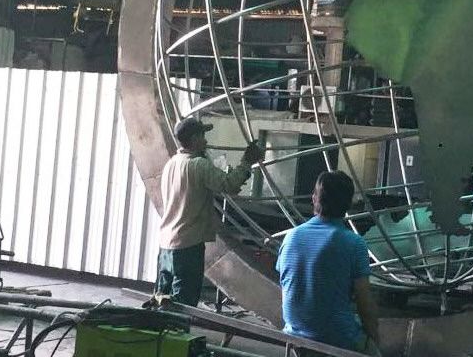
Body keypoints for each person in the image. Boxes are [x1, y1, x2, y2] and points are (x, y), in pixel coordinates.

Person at [155, 117, 262, 306]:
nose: (205, 141)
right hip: (187, 246)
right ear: (194, 139)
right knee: (183, 304)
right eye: (202, 136)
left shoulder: (171, 164)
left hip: (166, 245)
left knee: (161, 300)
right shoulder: (198, 165)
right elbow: (229, 184)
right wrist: (247, 162)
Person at [276, 171, 380, 354]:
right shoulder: (354, 244)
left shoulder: (290, 237)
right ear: (348, 204)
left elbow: (288, 287)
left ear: (314, 198)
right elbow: (365, 304)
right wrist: (374, 341)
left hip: (294, 336)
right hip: (338, 339)